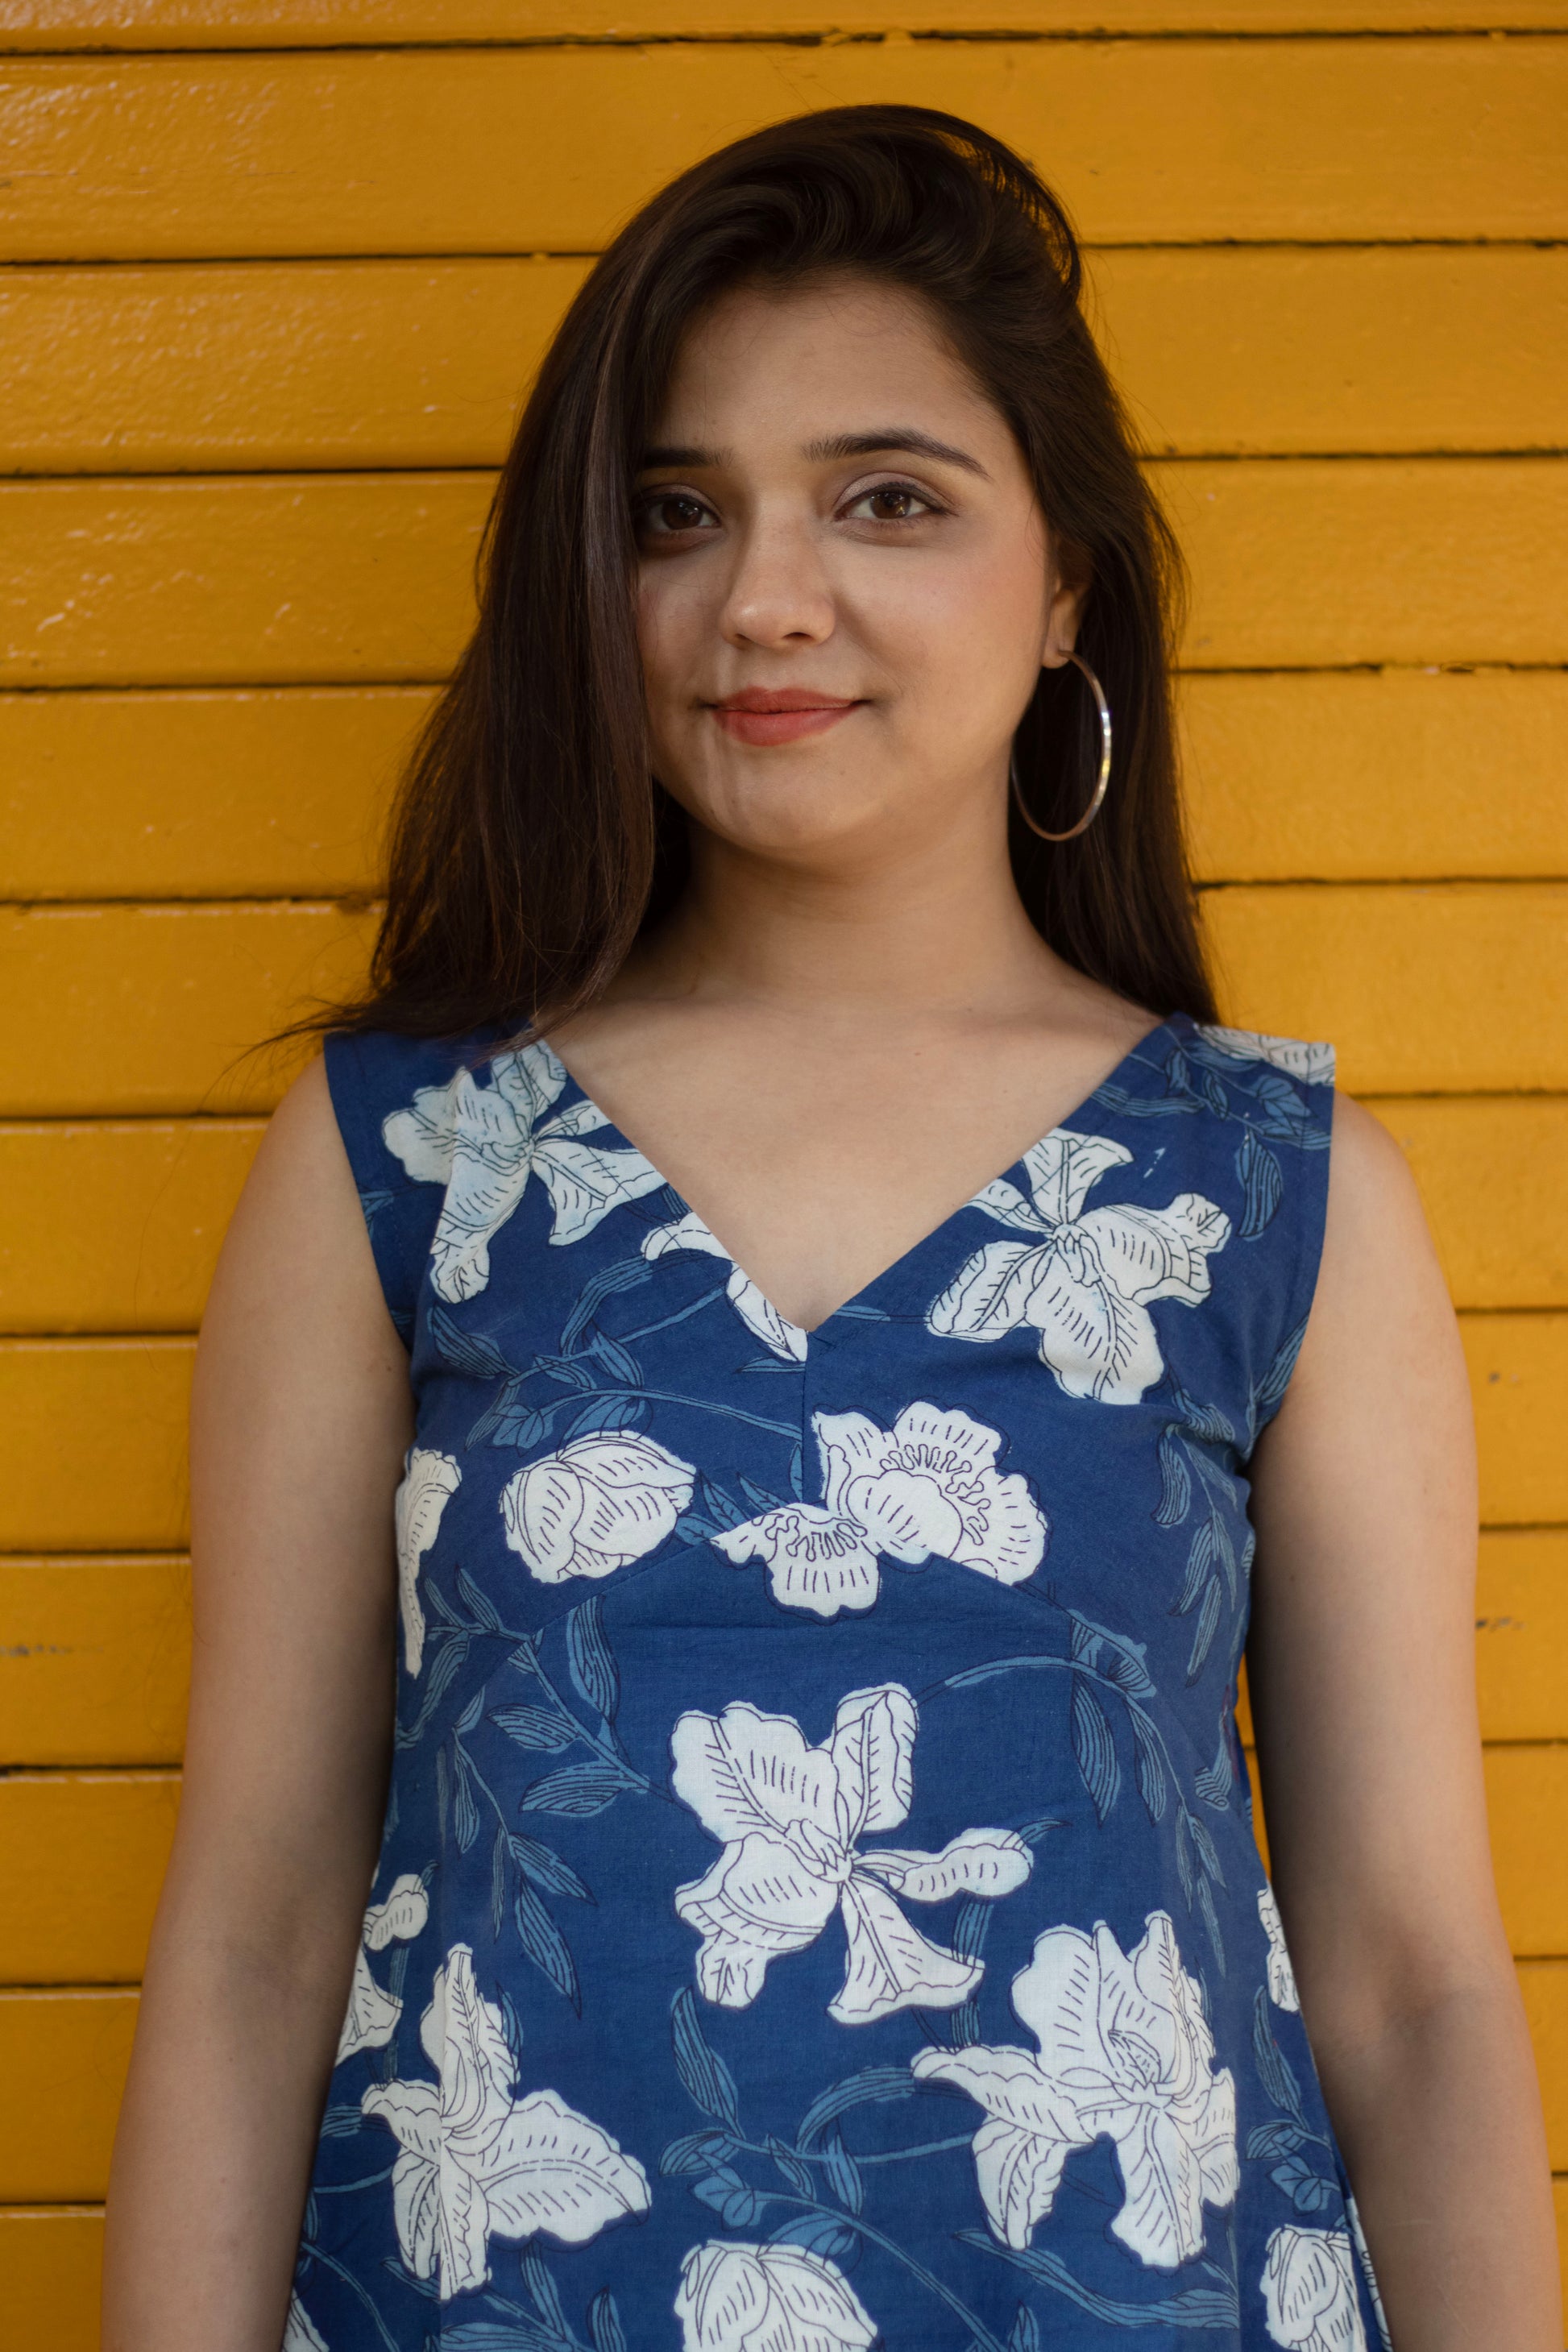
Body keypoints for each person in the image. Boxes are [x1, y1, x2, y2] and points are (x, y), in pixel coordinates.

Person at [102, 107, 1558, 2352]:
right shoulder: (405, 1159)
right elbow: (255, 1936)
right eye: (674, 513)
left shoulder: (1268, 1192)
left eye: (888, 498)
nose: (763, 599)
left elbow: (1410, 1980)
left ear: (1065, 584)